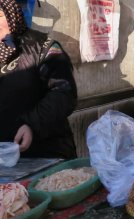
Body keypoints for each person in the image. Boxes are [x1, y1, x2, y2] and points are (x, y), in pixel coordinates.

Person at [0, 0, 77, 159]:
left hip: (46, 155)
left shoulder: (43, 47)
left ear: (12, 14)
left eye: (0, 15)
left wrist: (32, 124)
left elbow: (64, 91)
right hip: (6, 162)